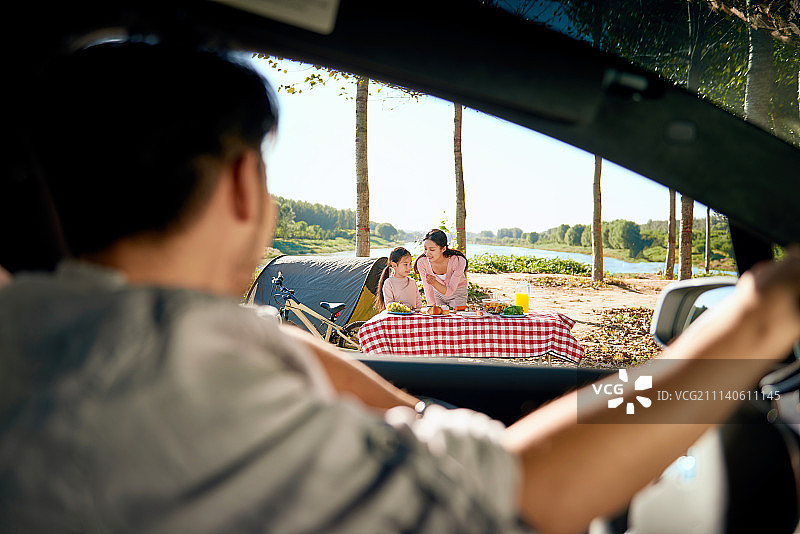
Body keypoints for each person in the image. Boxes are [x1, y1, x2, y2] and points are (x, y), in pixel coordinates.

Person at [2, 40, 800, 534]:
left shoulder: (48, 340)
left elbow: (347, 388)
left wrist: (412, 415)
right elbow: (524, 495)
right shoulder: (175, 376)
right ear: (245, 185)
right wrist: (746, 331)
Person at [415, 229, 469, 309]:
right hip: (437, 293)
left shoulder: (458, 261)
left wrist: (434, 283)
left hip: (457, 293)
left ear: (443, 249)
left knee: (456, 318)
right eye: (425, 249)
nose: (427, 253)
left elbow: (450, 291)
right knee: (437, 318)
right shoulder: (422, 262)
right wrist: (431, 308)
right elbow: (428, 288)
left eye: (432, 249)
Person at [375, 246, 423, 311]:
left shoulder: (412, 282)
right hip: (397, 318)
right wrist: (406, 308)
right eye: (405, 264)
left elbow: (419, 304)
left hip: (413, 318)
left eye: (410, 263)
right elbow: (389, 305)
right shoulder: (389, 283)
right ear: (394, 265)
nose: (409, 267)